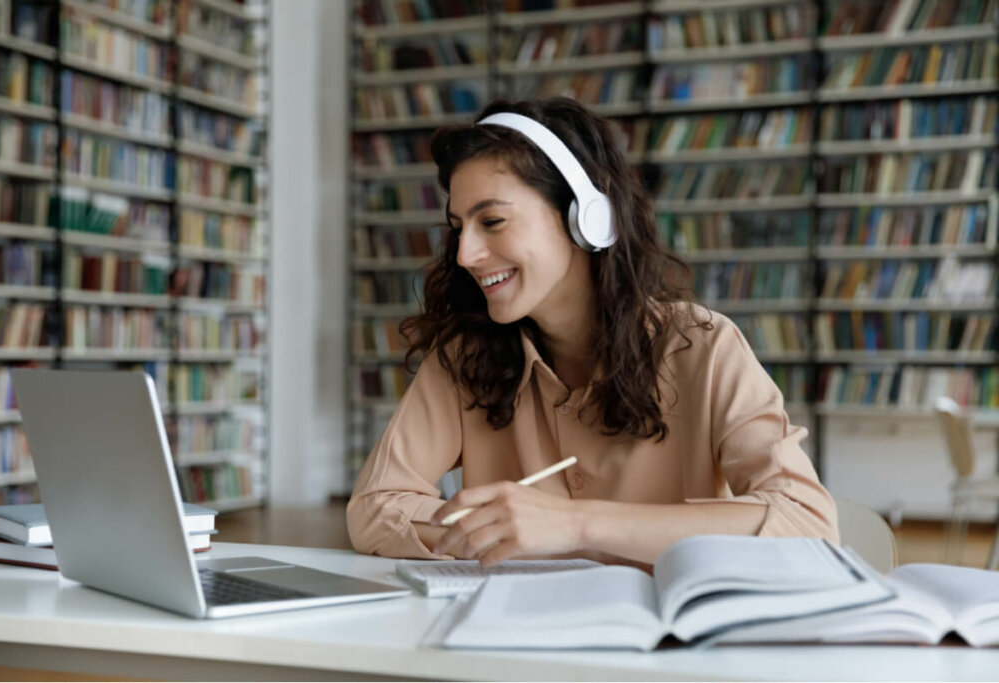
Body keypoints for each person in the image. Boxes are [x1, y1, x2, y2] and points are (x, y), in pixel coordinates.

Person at [347, 97, 837, 567]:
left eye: (492, 221)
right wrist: (500, 529)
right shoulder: (464, 357)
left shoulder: (704, 346)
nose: (464, 254)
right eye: (459, 227)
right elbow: (375, 508)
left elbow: (809, 524)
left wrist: (577, 525)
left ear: (587, 219)